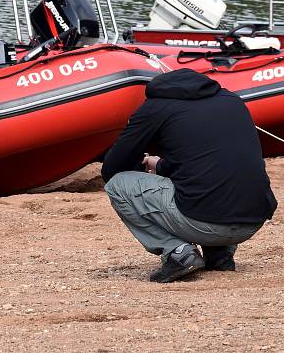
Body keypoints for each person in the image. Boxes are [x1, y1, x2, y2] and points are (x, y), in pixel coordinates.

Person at [102, 68, 277, 283]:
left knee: (118, 185)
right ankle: (219, 255)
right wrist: (162, 166)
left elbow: (111, 168)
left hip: (204, 223)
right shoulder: (232, 100)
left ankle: (177, 252)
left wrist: (142, 162)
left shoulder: (156, 107)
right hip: (252, 221)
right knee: (214, 178)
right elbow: (210, 160)